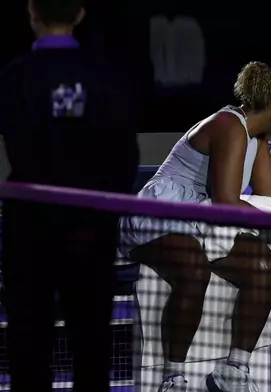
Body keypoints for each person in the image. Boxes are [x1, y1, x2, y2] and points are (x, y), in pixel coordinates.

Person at [119, 61, 271, 392]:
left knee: (262, 265)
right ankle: (173, 378)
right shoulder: (229, 124)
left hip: (200, 221)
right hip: (158, 214)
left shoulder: (257, 141)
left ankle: (234, 372)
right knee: (193, 268)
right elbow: (228, 202)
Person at [0, 1, 140, 392]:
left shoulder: (14, 77)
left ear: (31, 12)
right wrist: (98, 216)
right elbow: (125, 158)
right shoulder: (108, 76)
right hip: (91, 229)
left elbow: (22, 152)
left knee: (29, 347)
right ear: (79, 13)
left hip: (30, 230)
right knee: (92, 346)